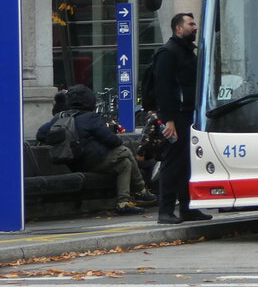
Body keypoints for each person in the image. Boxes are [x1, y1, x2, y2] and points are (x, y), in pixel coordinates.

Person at [36, 84, 156, 215]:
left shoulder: (60, 117)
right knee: (124, 151)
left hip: (73, 164)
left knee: (124, 164)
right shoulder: (90, 118)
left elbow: (40, 134)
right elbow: (114, 141)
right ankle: (141, 189)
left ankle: (123, 202)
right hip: (94, 162)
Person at [153, 12, 212, 225]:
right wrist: (168, 120)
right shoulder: (167, 53)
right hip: (175, 118)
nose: (195, 27)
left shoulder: (187, 52)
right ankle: (165, 211)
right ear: (179, 28)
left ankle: (188, 208)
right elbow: (164, 88)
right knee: (172, 163)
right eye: (191, 24)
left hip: (190, 115)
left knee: (188, 163)